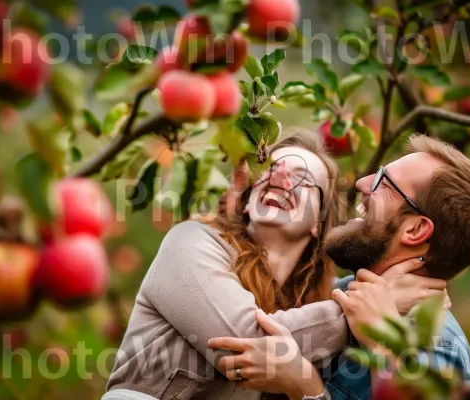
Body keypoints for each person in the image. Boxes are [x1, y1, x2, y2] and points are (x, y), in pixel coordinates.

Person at [103, 130, 445, 400]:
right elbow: (243, 342)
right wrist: (371, 309)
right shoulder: (190, 242)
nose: (281, 179)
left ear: (318, 223)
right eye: (270, 170)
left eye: (302, 179)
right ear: (248, 201)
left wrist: (306, 384)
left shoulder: (311, 320)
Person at [209, 134, 470, 399]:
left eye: (383, 182)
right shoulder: (338, 294)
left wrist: (305, 385)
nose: (362, 182)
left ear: (414, 231)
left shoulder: (436, 348)